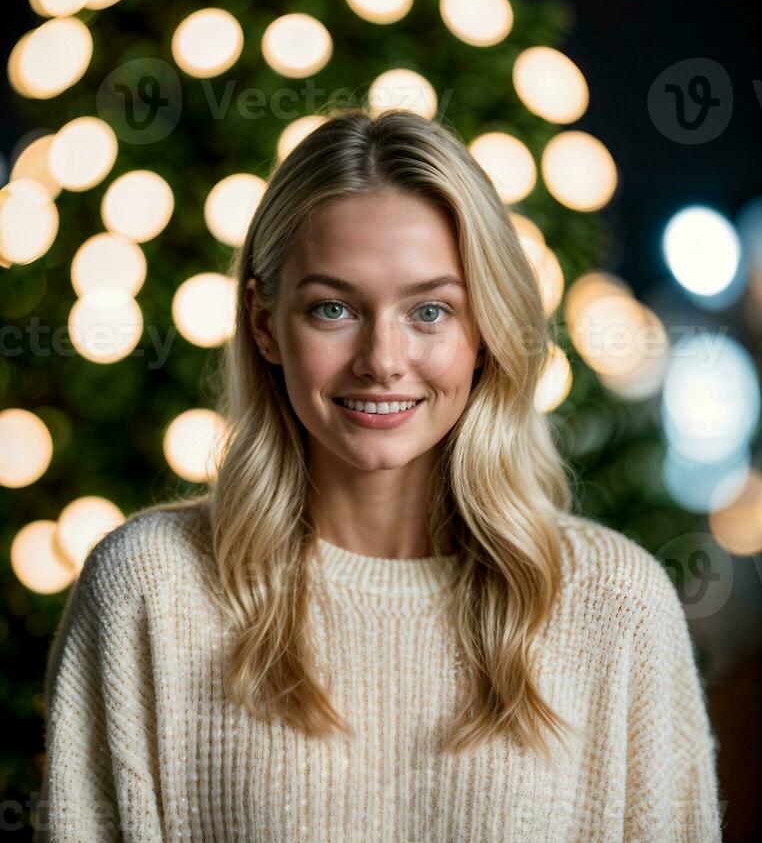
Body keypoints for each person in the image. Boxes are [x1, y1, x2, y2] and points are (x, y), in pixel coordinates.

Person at [35, 108, 724, 842]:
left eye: (429, 311)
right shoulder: (148, 590)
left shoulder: (616, 606)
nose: (383, 359)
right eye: (333, 308)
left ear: (484, 330)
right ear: (265, 324)